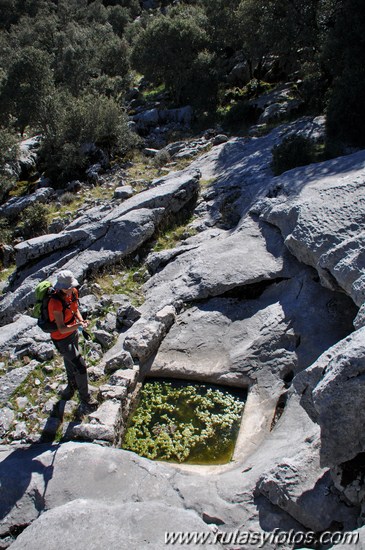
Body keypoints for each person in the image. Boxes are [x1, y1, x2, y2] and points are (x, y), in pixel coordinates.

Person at [48, 269, 98, 412]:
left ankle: (72, 385)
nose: (71, 289)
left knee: (69, 360)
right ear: (61, 287)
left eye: (71, 287)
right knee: (80, 366)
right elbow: (62, 328)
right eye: (68, 288)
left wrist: (82, 320)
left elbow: (74, 309)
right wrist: (78, 325)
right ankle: (85, 397)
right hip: (61, 338)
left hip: (73, 332)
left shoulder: (74, 292)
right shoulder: (55, 303)